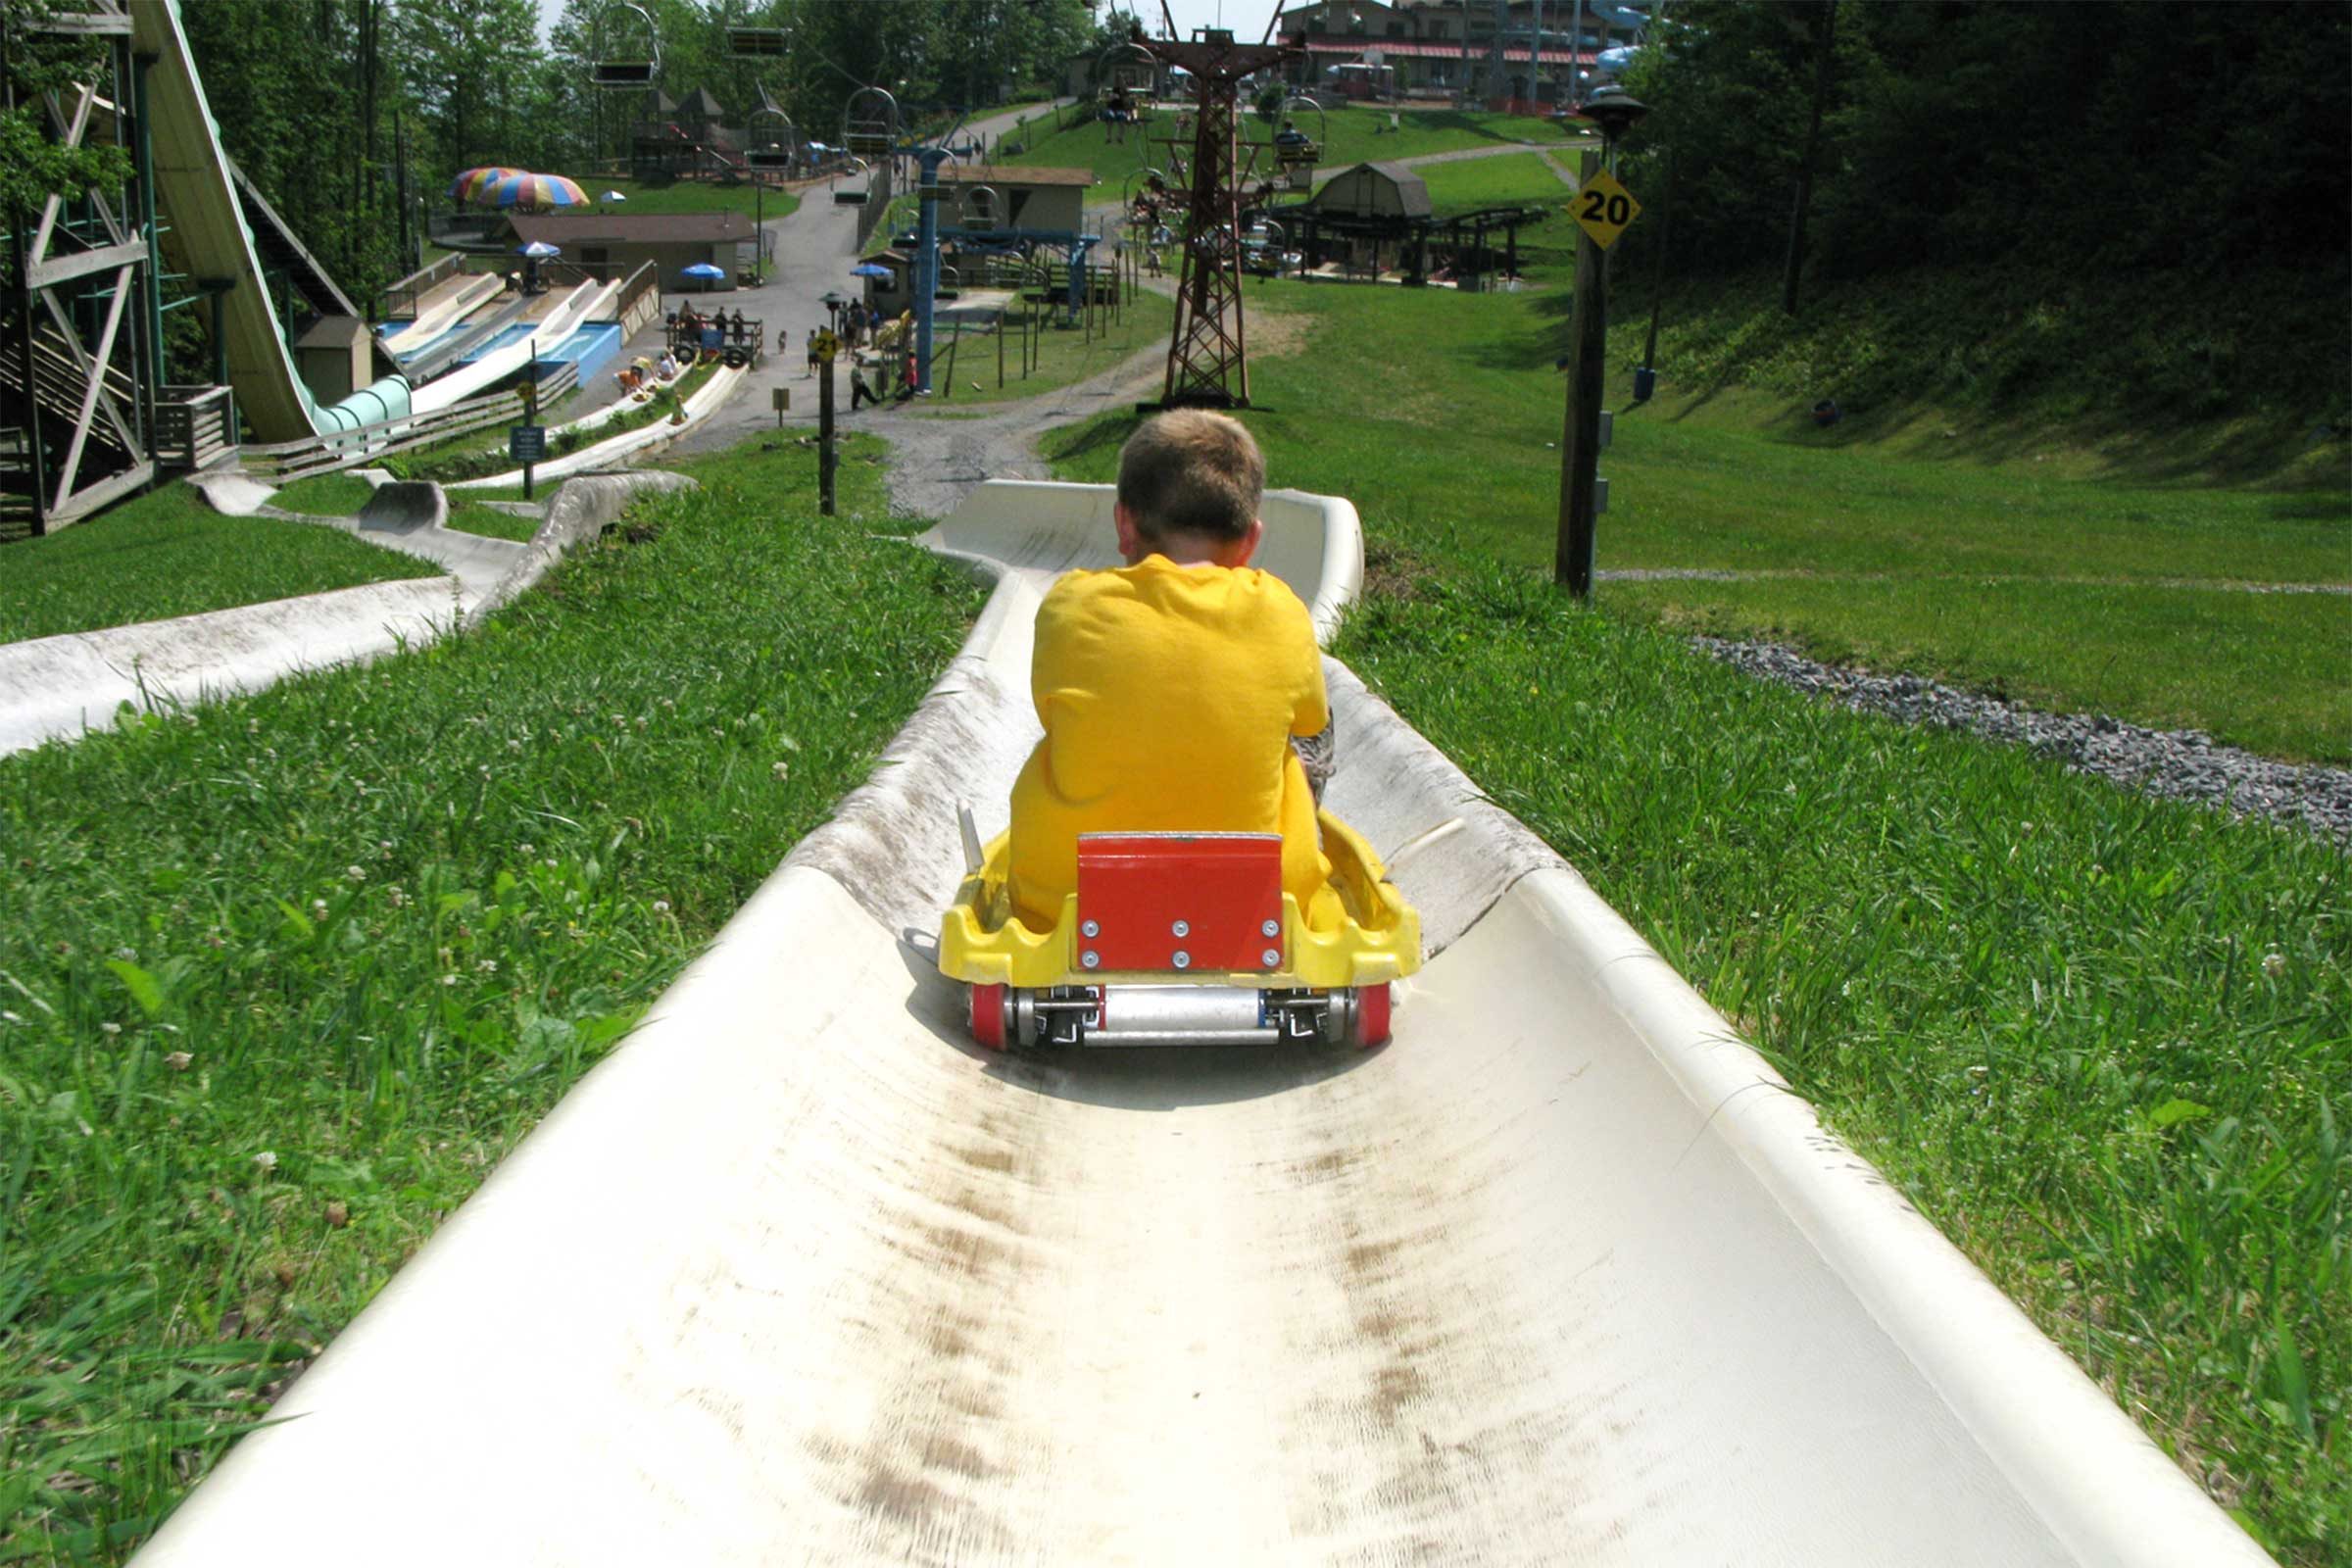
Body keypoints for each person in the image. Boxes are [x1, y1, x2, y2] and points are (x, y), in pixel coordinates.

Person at [1002, 411, 1335, 934]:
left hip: (1069, 896)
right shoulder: (1281, 610)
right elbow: (1313, 721)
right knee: (1296, 744)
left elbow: (1050, 711)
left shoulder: (1072, 603)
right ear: (1251, 540)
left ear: (1124, 523)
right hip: (1260, 901)